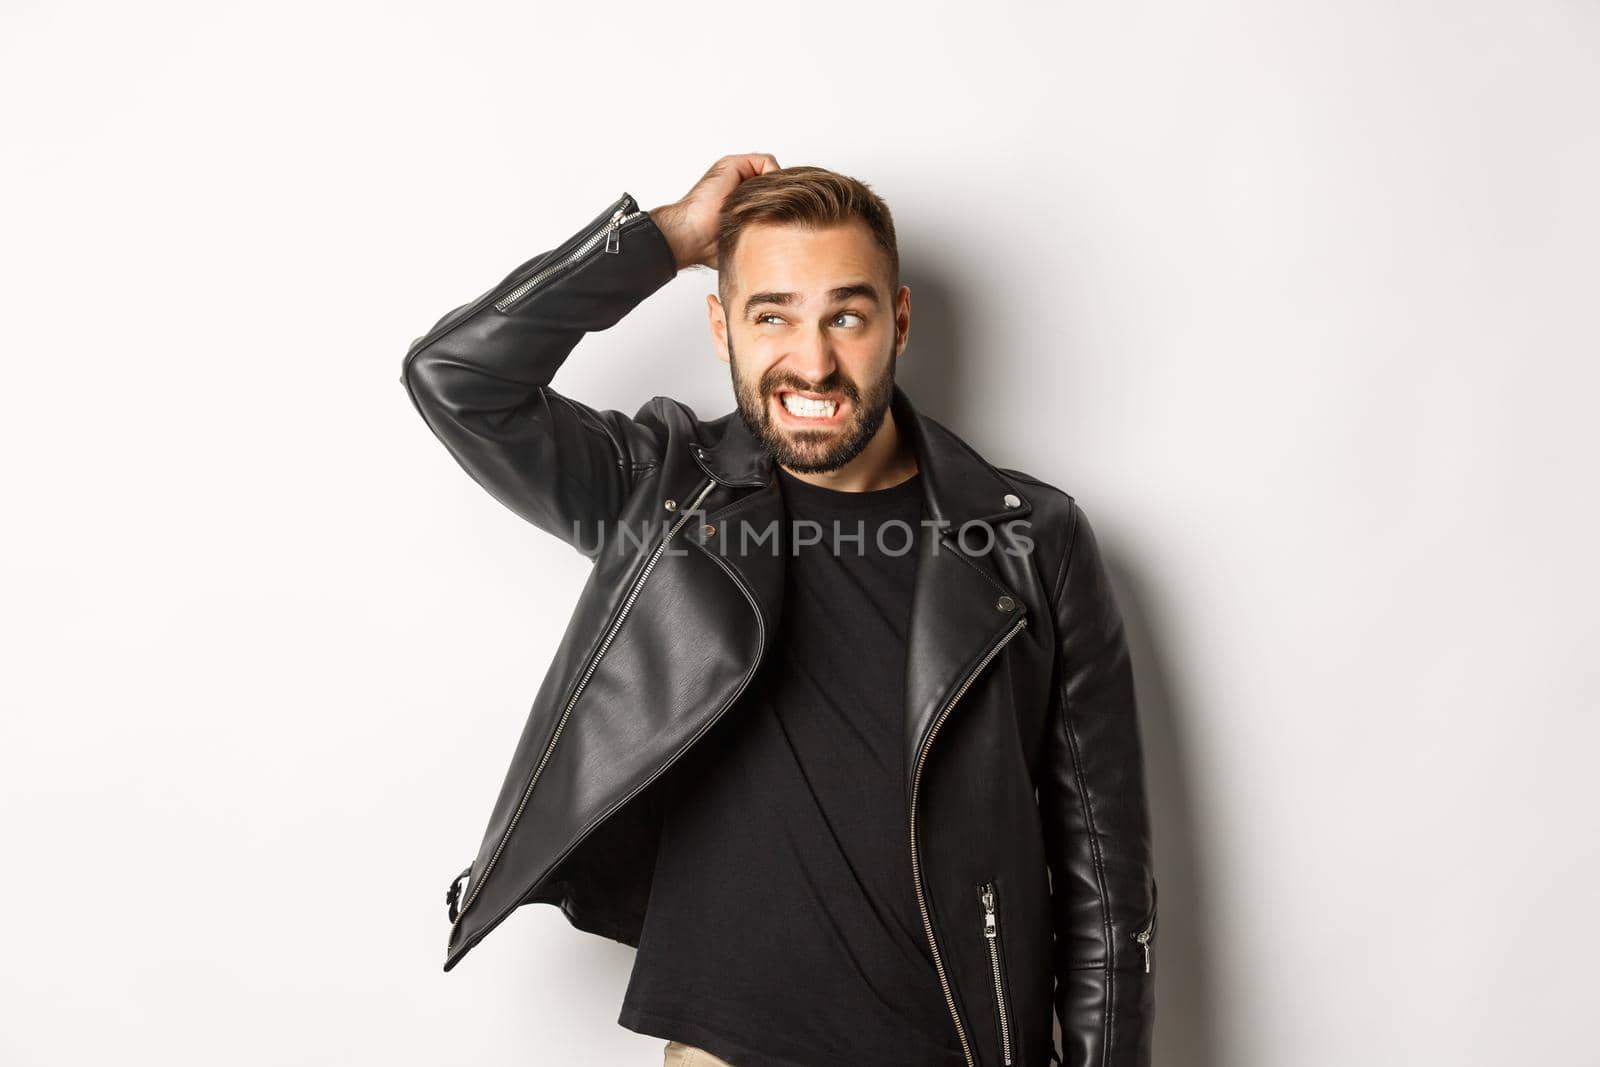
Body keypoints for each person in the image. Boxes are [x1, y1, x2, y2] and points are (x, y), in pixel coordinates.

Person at [400, 154, 1157, 1067]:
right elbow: (456, 379)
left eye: (846, 313)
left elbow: (1106, 898)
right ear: (722, 326)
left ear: (899, 322)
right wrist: (667, 238)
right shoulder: (663, 496)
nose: (813, 359)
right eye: (773, 315)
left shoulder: (1034, 540)